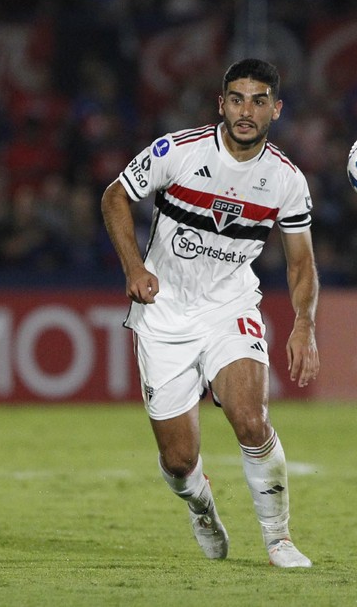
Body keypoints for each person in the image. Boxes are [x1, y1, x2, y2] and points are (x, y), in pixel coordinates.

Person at [101, 59, 319, 568]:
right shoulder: (177, 151)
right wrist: (134, 266)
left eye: (259, 100)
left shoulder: (286, 180)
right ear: (221, 104)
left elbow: (302, 261)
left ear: (276, 109)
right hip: (163, 312)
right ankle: (201, 506)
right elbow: (115, 196)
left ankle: (278, 539)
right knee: (178, 461)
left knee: (250, 419)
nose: (247, 111)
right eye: (237, 99)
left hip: (230, 305)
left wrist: (305, 324)